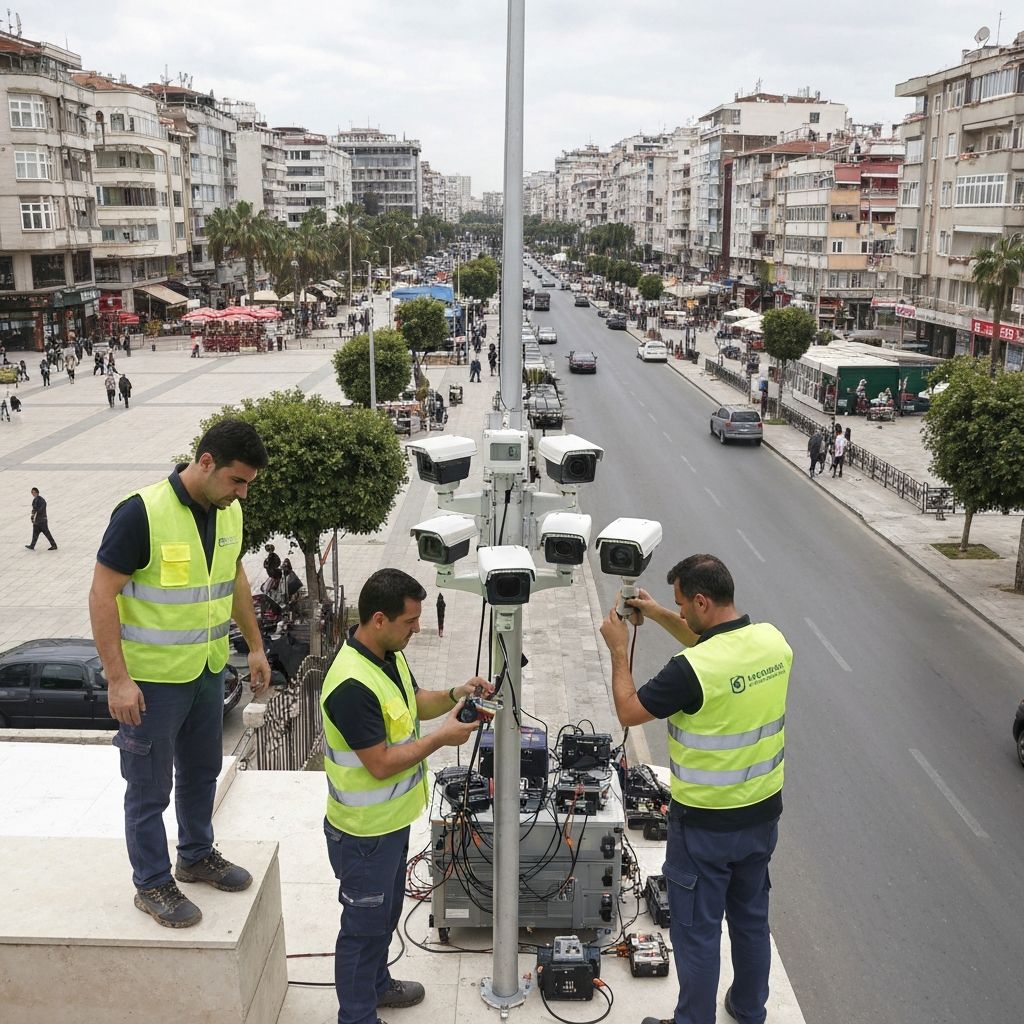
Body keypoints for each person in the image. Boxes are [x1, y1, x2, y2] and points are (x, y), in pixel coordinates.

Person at [88, 419, 271, 928]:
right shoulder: (141, 513)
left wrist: (255, 647)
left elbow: (232, 576)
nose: (242, 494)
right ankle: (150, 883)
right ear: (206, 462)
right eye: (237, 481)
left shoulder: (228, 513)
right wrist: (118, 678)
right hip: (150, 685)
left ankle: (195, 855)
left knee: (201, 772)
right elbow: (103, 594)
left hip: (209, 671)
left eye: (248, 485)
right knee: (148, 789)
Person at [599, 555, 792, 1024]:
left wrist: (619, 648)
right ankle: (748, 1011)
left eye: (684, 605)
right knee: (749, 921)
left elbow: (628, 710)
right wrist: (662, 613)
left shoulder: (689, 672)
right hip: (762, 818)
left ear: (703, 601)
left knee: (697, 931)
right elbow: (716, 651)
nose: (681, 613)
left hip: (704, 827)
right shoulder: (773, 642)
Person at [320, 568, 492, 1024]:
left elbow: (415, 701)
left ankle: (378, 985)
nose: (418, 628)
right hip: (362, 836)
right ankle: (357, 1016)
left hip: (389, 827)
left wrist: (458, 692)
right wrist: (441, 739)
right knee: (362, 929)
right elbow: (378, 762)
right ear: (380, 618)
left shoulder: (386, 656)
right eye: (410, 621)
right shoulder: (351, 685)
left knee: (386, 913)